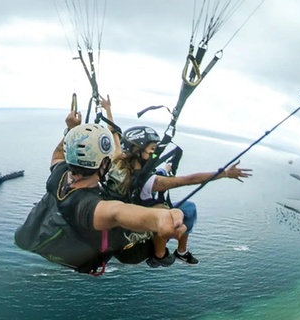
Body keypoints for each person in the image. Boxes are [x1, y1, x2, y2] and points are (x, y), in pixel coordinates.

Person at [35, 109, 187, 272]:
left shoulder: (59, 175)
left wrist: (73, 129)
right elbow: (117, 212)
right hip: (131, 251)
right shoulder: (90, 204)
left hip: (63, 235)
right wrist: (159, 217)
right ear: (103, 167)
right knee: (180, 210)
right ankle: (161, 255)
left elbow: (58, 154)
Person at [104, 125, 251, 267]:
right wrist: (224, 173)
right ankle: (160, 255)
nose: (154, 155)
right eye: (152, 150)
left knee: (180, 206)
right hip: (137, 246)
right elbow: (189, 179)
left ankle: (179, 252)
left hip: (121, 237)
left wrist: (108, 112)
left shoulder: (118, 168)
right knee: (178, 209)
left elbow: (117, 144)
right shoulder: (151, 182)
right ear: (137, 150)